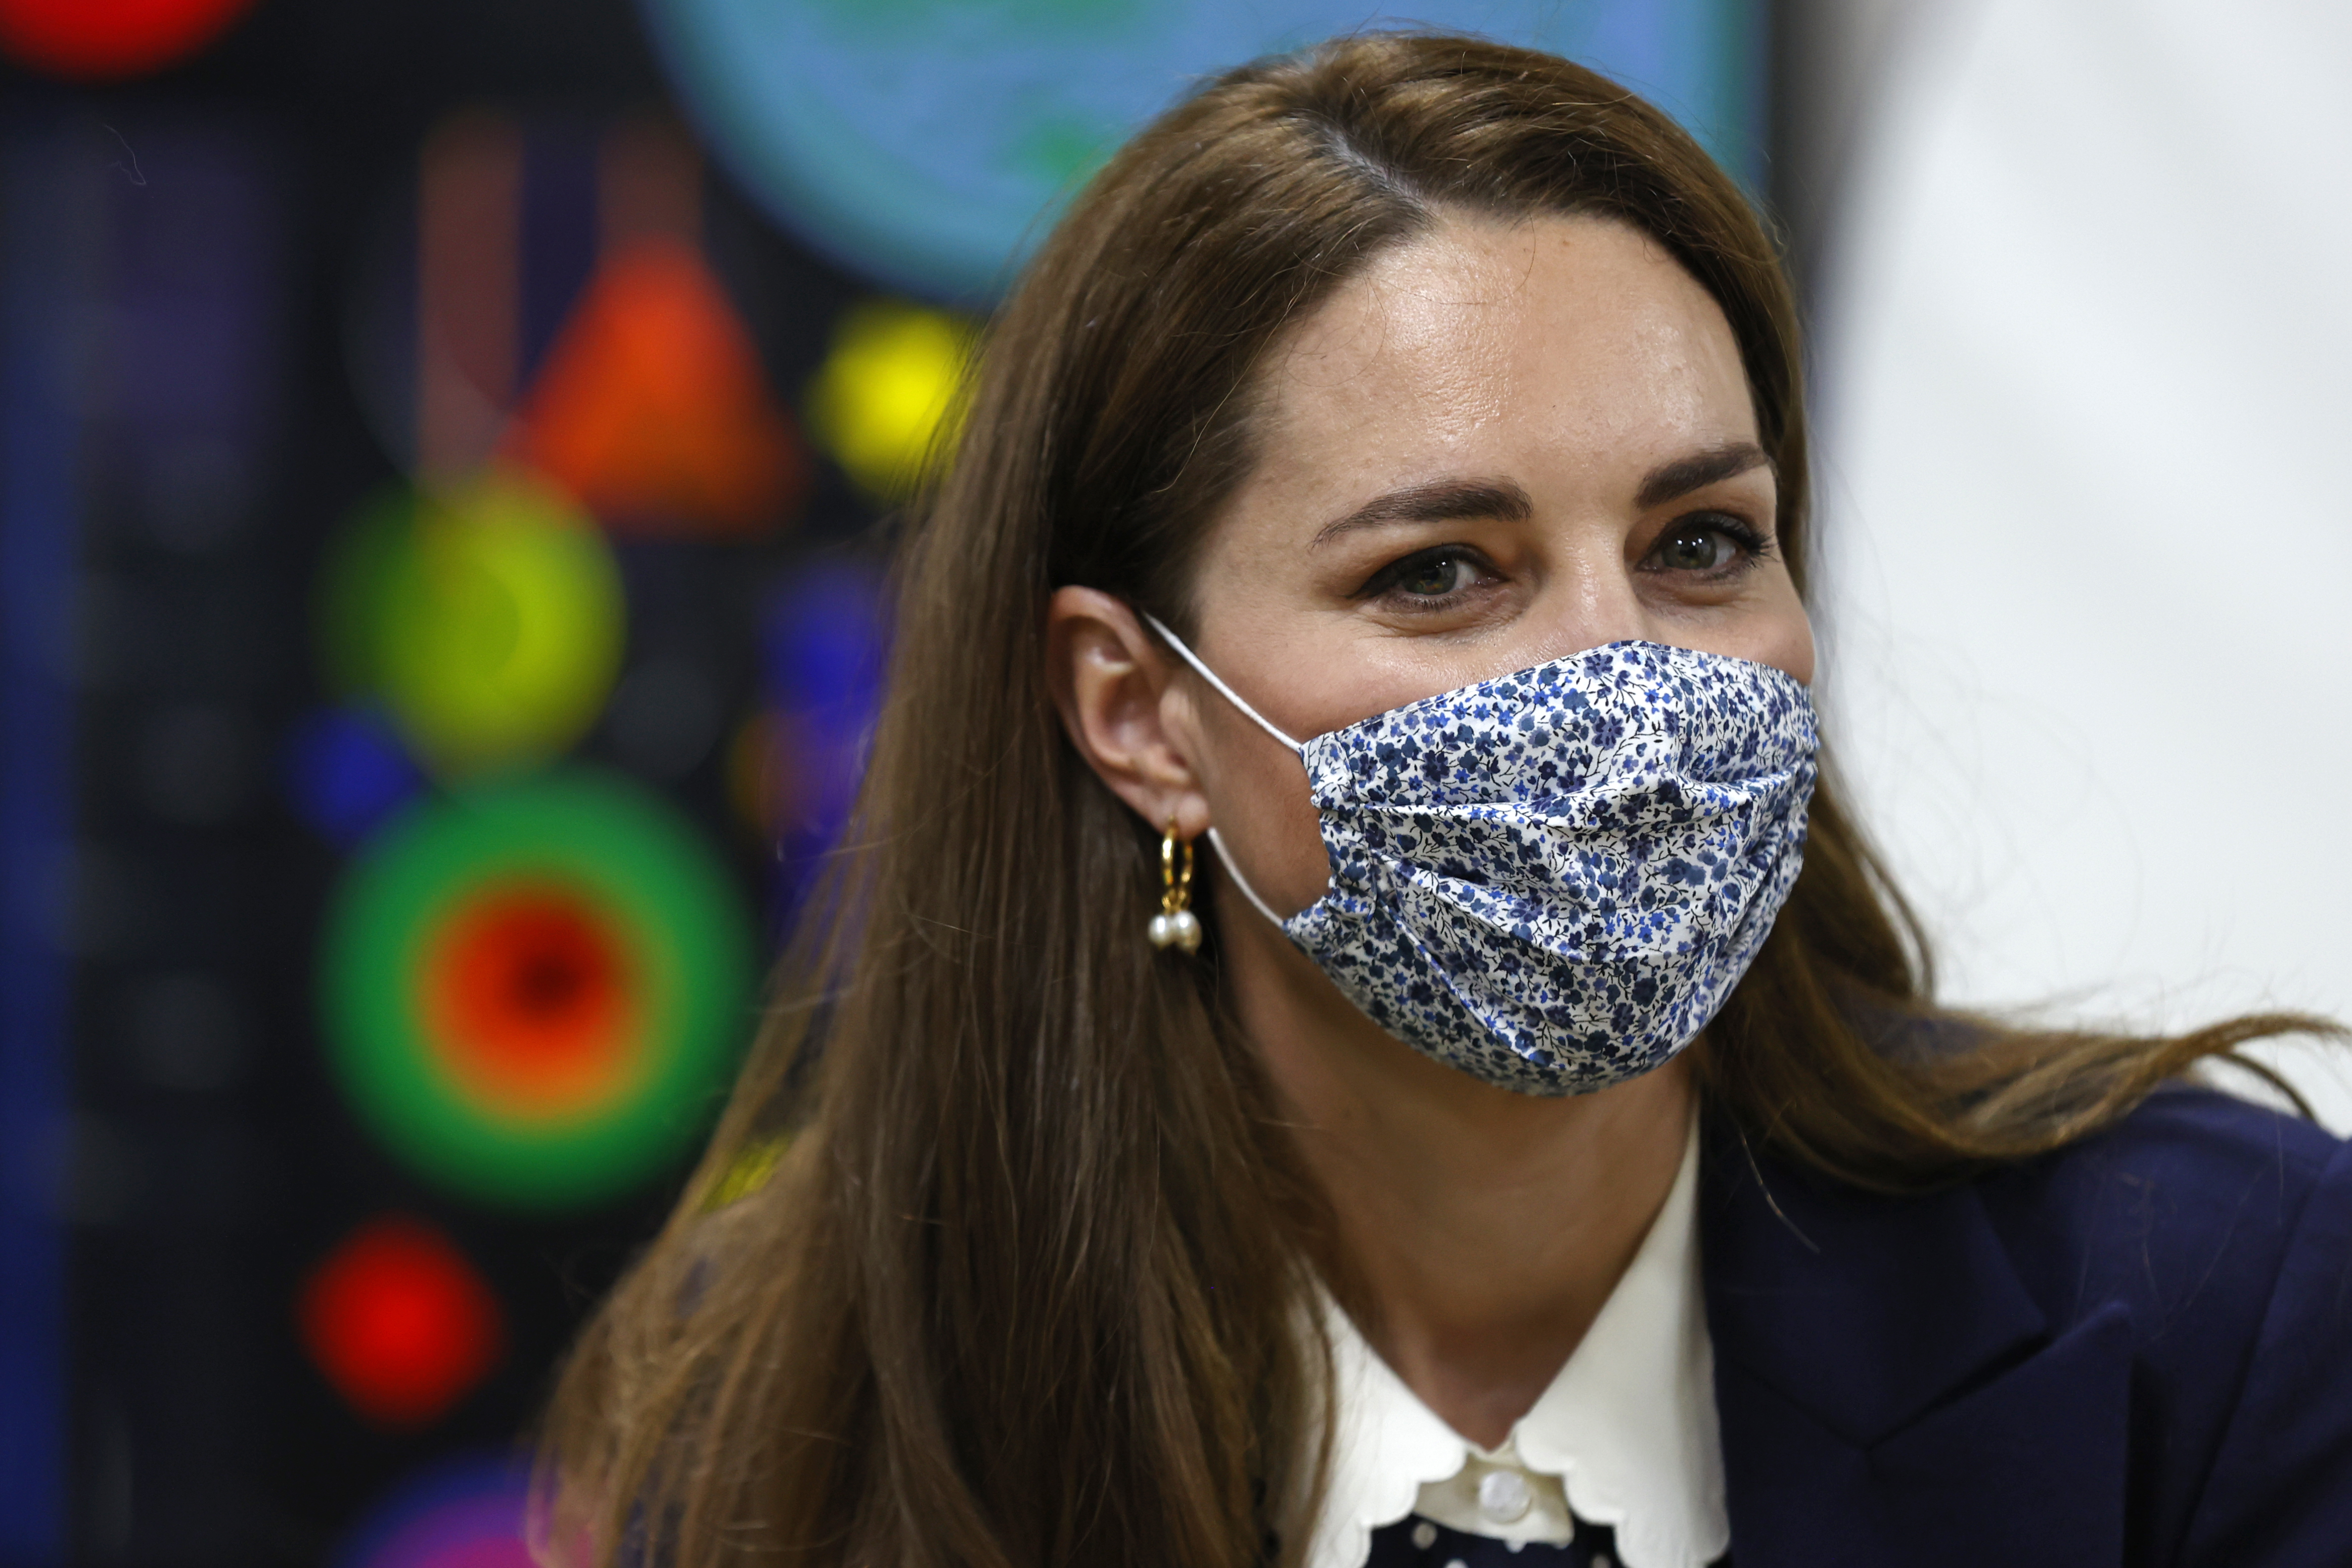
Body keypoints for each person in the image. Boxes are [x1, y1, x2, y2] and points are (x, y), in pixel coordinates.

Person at [538, 32, 2352, 1568]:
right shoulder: (800, 1413)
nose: (1622, 680)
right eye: (1439, 573)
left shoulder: (2223, 1312)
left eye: (1700, 543)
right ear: (1139, 710)